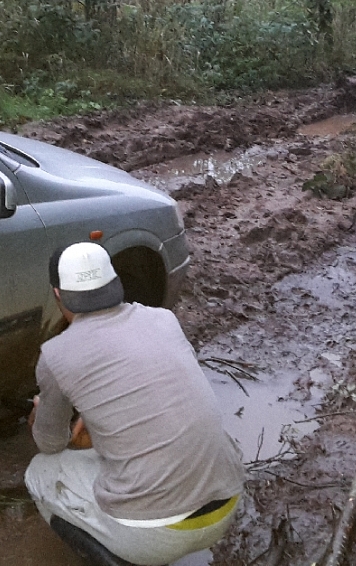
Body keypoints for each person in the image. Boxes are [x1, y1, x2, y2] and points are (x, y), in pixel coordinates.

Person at [25, 242, 245, 566]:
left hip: (155, 536)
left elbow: (52, 443)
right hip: (226, 504)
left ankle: (114, 558)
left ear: (58, 294)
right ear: (115, 283)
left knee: (40, 473)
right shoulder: (163, 319)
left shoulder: (56, 356)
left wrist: (39, 414)